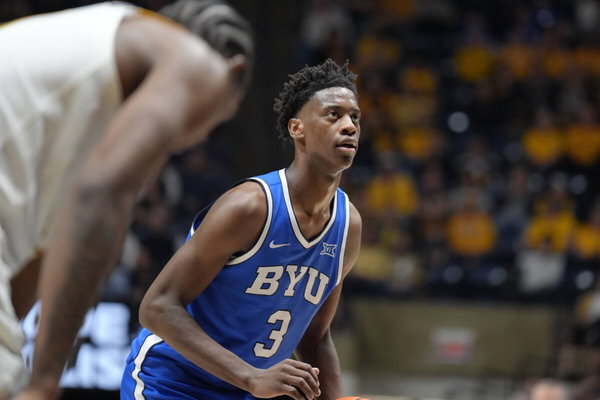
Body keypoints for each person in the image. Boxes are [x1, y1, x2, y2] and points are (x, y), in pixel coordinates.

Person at [0, 0, 254, 398]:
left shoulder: (89, 83)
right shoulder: (196, 63)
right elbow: (100, 199)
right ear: (233, 71)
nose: (200, 138)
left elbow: (37, 256)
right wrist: (45, 382)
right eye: (217, 120)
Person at [120, 58, 363, 400]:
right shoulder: (250, 206)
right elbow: (157, 306)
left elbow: (315, 337)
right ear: (297, 129)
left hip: (245, 390)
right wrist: (250, 377)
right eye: (333, 115)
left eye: (355, 117)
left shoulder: (347, 226)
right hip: (171, 383)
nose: (349, 126)